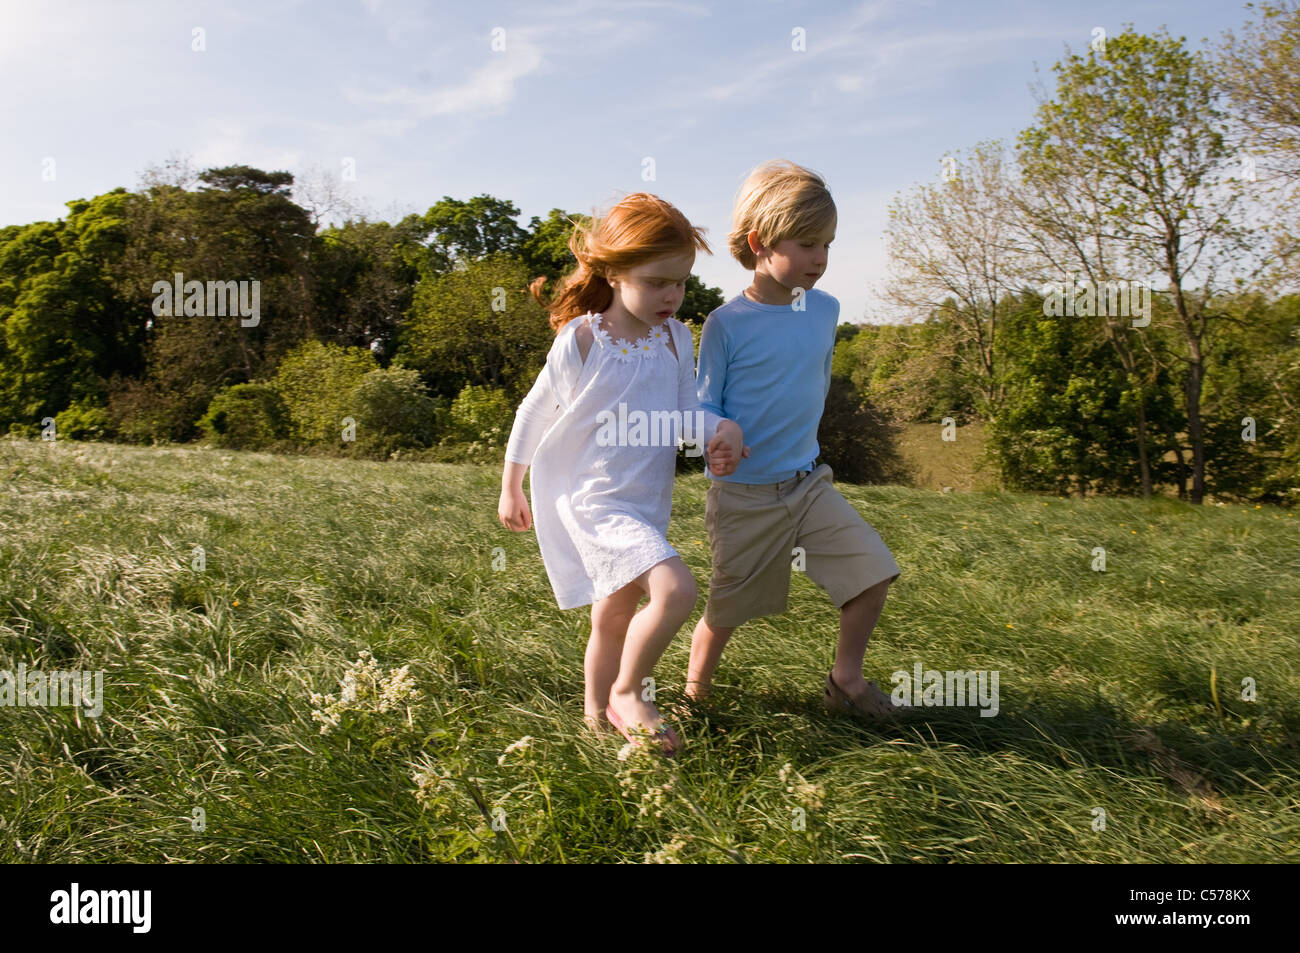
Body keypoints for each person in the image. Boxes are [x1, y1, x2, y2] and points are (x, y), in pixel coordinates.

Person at [498, 192, 746, 756]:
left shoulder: (677, 338)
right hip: (592, 500)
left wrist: (718, 432)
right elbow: (535, 410)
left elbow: (687, 416)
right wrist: (512, 483)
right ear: (612, 272)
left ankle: (593, 715)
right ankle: (628, 694)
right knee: (675, 589)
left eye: (680, 282)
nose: (672, 296)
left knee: (613, 615)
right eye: (657, 282)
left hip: (643, 503)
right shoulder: (583, 339)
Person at [685, 160, 903, 719]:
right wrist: (719, 432)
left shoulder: (825, 311)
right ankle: (694, 697)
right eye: (807, 243)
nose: (820, 258)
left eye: (827, 244)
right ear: (759, 242)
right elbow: (703, 402)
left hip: (809, 484)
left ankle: (845, 683)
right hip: (744, 496)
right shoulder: (726, 323)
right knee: (727, 608)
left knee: (872, 574)